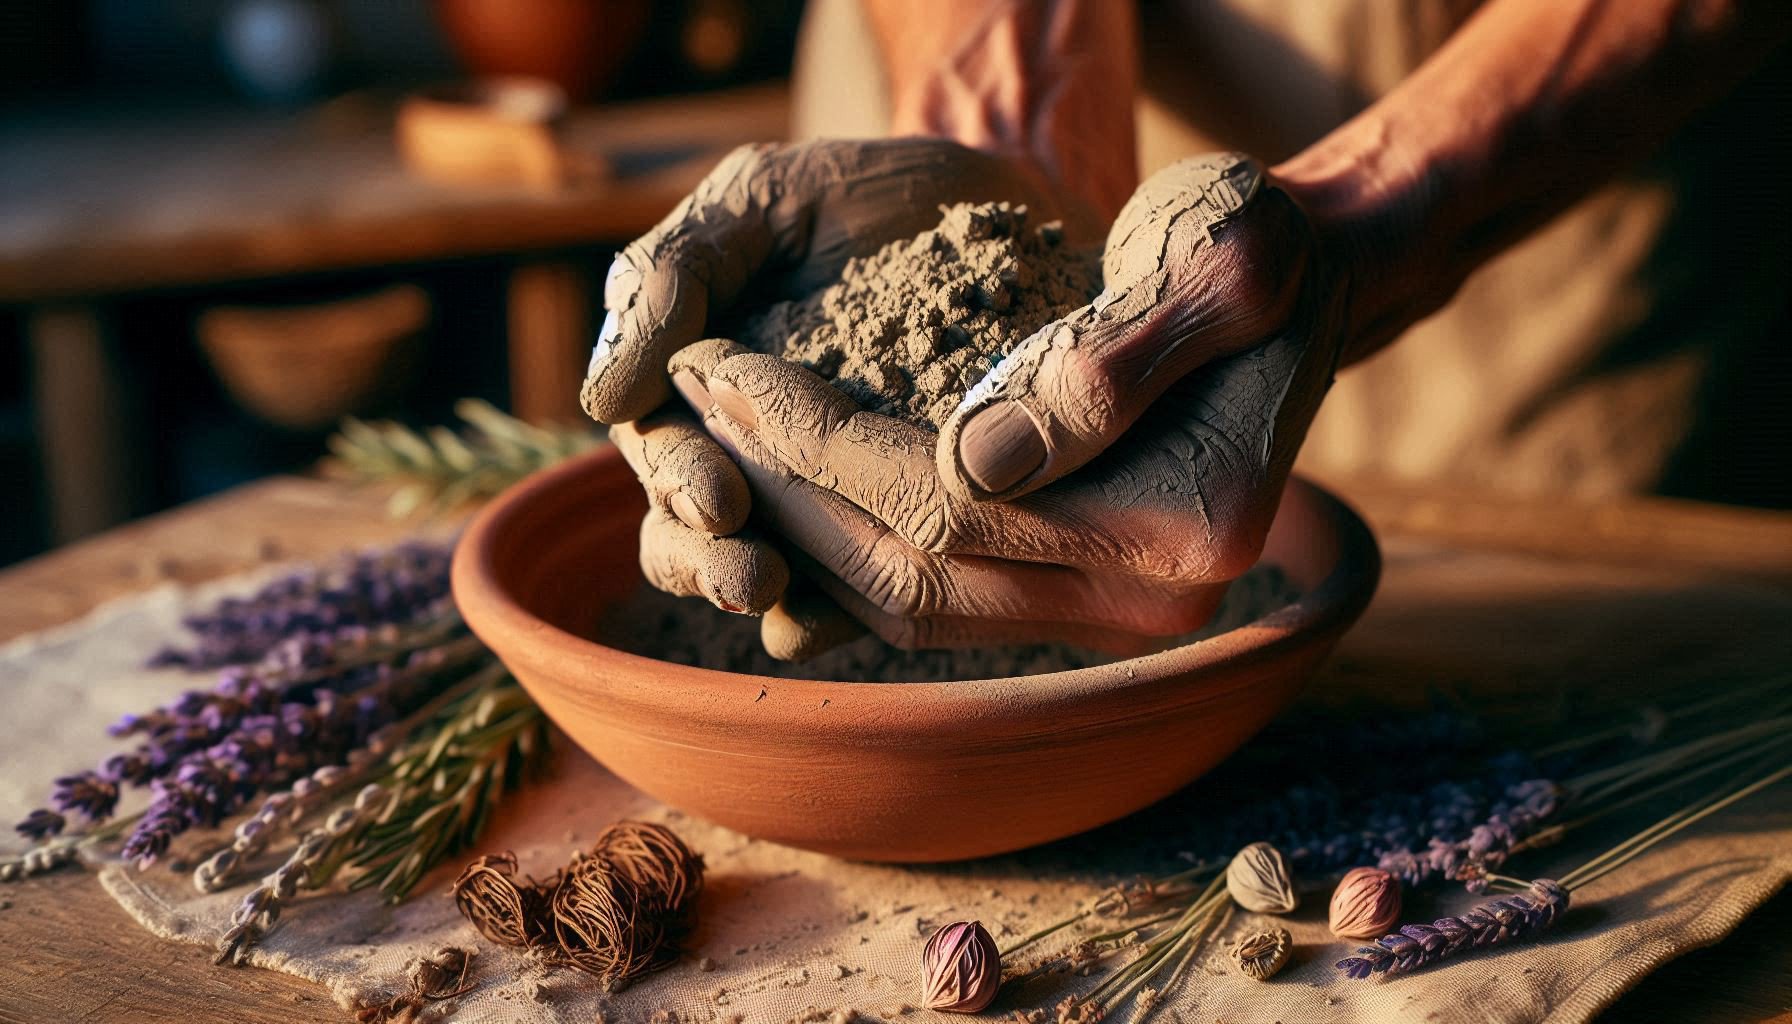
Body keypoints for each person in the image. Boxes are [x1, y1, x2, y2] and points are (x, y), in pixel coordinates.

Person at [581, 0, 1792, 657]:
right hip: (933, 72)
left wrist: (1380, 211)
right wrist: (1015, 138)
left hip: (1506, 136)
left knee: (1511, 641)